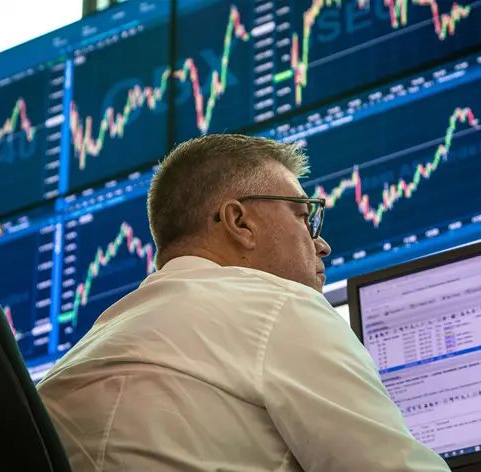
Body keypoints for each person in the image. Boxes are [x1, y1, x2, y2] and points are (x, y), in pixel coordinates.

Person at [37, 134, 450, 472]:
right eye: (305, 217)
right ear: (239, 223)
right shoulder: (279, 307)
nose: (321, 244)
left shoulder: (79, 356)